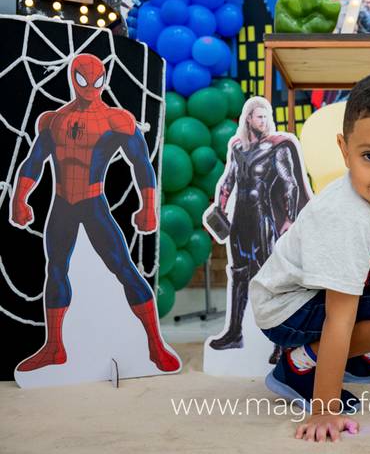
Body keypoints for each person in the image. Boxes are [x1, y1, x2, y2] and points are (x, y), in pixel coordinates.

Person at [251, 71, 370, 441]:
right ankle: (297, 365)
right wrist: (324, 410)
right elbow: (339, 318)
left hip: (331, 295)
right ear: (344, 150)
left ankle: (361, 358)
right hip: (287, 306)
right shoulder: (345, 215)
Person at [9, 53, 179, 373]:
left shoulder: (117, 120)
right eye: (83, 79)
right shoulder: (53, 120)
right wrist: (19, 198)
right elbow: (34, 161)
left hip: (93, 202)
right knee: (55, 270)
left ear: (104, 80)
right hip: (62, 203)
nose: (90, 87)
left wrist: (148, 206)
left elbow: (141, 164)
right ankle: (54, 347)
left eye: (97, 80)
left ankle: (155, 346)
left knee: (125, 269)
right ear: (73, 79)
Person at [206, 97, 311, 351]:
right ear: (249, 119)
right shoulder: (238, 148)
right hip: (240, 218)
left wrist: (289, 218)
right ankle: (234, 332)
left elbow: (290, 184)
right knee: (239, 274)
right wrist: (220, 207)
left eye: (266, 117)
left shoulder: (278, 147)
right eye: (259, 117)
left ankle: (281, 342)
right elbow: (229, 180)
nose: (264, 121)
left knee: (271, 276)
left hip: (264, 217)